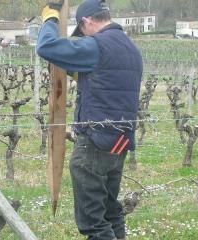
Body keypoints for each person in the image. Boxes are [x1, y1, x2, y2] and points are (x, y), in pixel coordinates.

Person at [37, 0, 143, 239]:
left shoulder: (97, 45)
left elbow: (47, 46)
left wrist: (50, 17)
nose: (82, 36)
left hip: (95, 144)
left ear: (86, 21)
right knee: (110, 211)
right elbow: (108, 81)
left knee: (94, 221)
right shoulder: (130, 48)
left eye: (81, 31)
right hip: (119, 142)